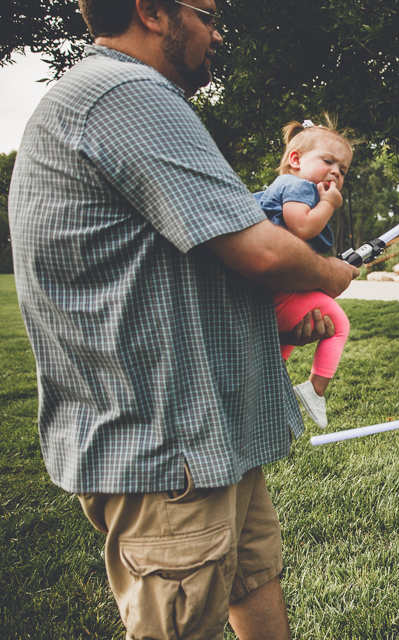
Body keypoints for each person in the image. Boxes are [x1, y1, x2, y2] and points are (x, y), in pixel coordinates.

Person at [7, 1, 358, 638]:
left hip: (209, 434)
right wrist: (333, 274)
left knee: (252, 576)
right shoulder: (126, 92)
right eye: (207, 13)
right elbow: (256, 247)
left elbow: (176, 267)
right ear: (152, 11)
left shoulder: (110, 95)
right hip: (170, 445)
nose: (218, 32)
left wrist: (276, 326)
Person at [256, 117, 354, 429]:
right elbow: (301, 227)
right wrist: (328, 203)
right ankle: (315, 389)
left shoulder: (287, 188)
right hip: (278, 287)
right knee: (338, 324)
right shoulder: (297, 186)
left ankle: (270, 377)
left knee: (292, 330)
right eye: (328, 161)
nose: (336, 172)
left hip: (270, 288)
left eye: (343, 169)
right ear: (296, 160)